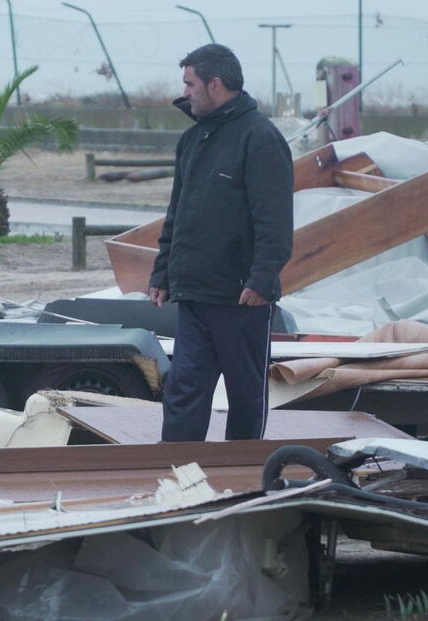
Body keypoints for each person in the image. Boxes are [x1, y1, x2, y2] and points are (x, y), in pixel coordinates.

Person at [148, 44, 293, 442]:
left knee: (246, 395)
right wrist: (162, 272)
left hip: (242, 297)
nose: (185, 91)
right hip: (194, 293)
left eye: (189, 83)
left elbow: (275, 221)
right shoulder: (193, 141)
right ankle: (177, 469)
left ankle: (243, 473)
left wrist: (262, 279)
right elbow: (176, 215)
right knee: (184, 388)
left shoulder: (260, 138)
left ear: (215, 84)